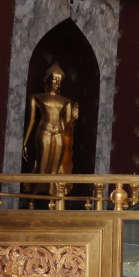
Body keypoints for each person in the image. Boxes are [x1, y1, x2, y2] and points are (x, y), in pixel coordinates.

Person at [22, 62, 79, 195]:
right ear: (47, 79)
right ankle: (34, 198)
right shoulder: (36, 97)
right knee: (42, 167)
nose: (57, 82)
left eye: (59, 80)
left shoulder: (65, 101)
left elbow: (66, 125)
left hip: (59, 133)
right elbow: (31, 120)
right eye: (54, 79)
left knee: (55, 170)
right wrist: (25, 141)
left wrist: (74, 118)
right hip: (44, 131)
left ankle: (53, 199)